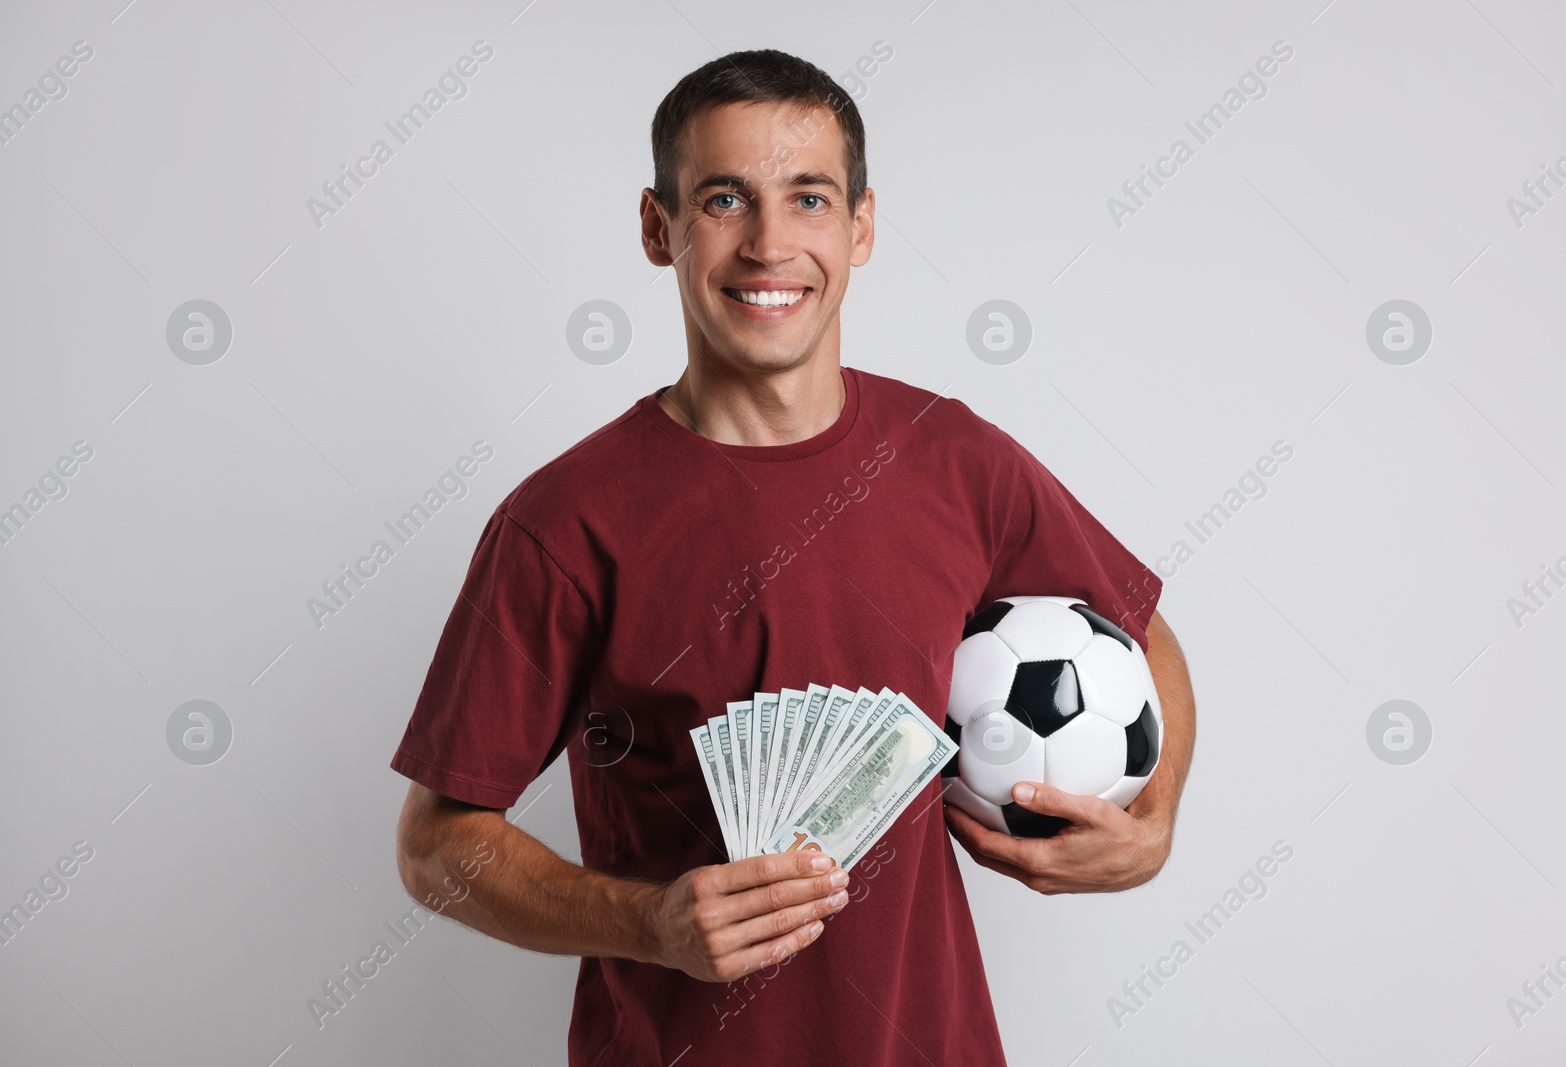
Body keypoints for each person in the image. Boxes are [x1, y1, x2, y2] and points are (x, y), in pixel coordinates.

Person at [391, 48, 1195, 1066]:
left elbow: (1141, 629)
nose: (771, 245)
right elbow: (435, 843)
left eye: (808, 198)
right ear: (657, 227)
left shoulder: (956, 459)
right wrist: (650, 924)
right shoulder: (563, 522)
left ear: (859, 226)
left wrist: (1154, 818)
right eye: (725, 199)